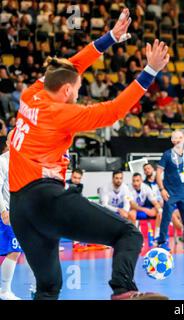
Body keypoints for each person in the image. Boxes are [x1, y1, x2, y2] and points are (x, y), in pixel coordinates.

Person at [9, 9, 170, 300]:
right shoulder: (62, 112)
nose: (78, 92)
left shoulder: (31, 93)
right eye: (78, 89)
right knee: (128, 234)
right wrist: (151, 71)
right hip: (46, 199)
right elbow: (114, 110)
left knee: (48, 287)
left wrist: (111, 38)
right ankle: (123, 292)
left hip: (21, 209)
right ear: (67, 90)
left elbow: (70, 66)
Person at [0, 132, 35, 300]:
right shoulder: (2, 161)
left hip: (18, 213)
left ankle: (5, 290)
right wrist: (3, 211)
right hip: (6, 212)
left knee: (15, 249)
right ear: (8, 142)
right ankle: (5, 291)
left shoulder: (23, 161)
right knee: (14, 250)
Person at [156, 130, 184, 253]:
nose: (178, 140)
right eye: (176, 138)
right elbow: (159, 173)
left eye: (181, 137)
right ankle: (162, 242)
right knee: (166, 217)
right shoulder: (167, 155)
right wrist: (162, 189)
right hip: (170, 191)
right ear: (172, 141)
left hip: (183, 191)